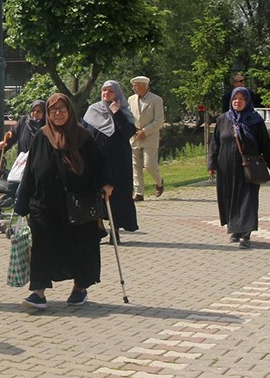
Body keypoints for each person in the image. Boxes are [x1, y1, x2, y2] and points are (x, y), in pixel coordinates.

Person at [13, 93, 110, 309]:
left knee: (81, 246)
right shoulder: (41, 136)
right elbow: (30, 171)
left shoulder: (83, 137)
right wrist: (22, 203)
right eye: (53, 110)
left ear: (69, 111)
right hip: (44, 204)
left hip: (78, 204)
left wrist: (106, 184)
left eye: (62, 109)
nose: (57, 114)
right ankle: (38, 292)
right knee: (42, 246)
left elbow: (101, 165)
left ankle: (80, 287)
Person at [207, 87, 270, 247]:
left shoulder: (255, 120)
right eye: (235, 99)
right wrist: (212, 163)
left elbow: (265, 146)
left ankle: (245, 234)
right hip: (226, 167)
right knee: (229, 197)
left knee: (247, 199)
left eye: (241, 99)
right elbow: (215, 143)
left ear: (247, 101)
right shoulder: (223, 119)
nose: (237, 101)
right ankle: (234, 229)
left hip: (248, 167)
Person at [82, 80, 137, 238]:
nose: (106, 93)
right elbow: (83, 131)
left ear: (117, 93)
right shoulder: (93, 110)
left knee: (118, 196)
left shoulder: (123, 111)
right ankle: (98, 226)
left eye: (110, 91)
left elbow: (127, 132)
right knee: (95, 194)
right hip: (96, 162)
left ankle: (115, 229)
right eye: (104, 90)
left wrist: (117, 113)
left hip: (118, 163)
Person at [128, 75, 165, 200]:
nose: (134, 88)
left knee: (149, 164)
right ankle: (139, 193)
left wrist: (145, 131)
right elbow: (129, 118)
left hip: (150, 137)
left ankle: (159, 182)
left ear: (144, 86)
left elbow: (159, 120)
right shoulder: (131, 100)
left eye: (136, 85)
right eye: (133, 86)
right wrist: (133, 130)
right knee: (135, 166)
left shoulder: (156, 100)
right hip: (135, 137)